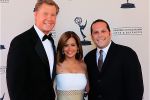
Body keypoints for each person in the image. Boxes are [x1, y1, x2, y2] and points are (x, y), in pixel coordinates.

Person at [6, 0, 59, 100]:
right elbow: (14, 86)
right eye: (45, 14)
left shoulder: (51, 41)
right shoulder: (20, 42)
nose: (49, 18)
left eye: (53, 15)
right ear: (35, 14)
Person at [84, 19, 144, 100]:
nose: (100, 35)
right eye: (96, 32)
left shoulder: (127, 54)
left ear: (109, 33)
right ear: (91, 36)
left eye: (103, 31)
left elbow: (136, 89)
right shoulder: (88, 58)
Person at [55, 31, 89, 100]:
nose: (69, 49)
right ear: (62, 48)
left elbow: (88, 89)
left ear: (78, 48)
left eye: (73, 45)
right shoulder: (56, 65)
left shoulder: (83, 65)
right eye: (66, 45)